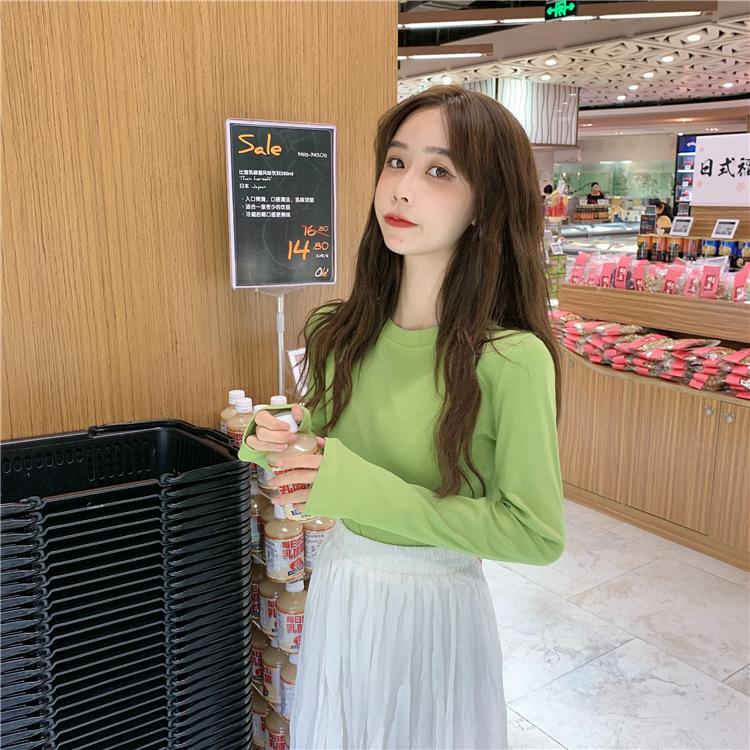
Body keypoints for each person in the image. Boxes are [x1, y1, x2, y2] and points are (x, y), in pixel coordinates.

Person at [239, 85, 565, 750]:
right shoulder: (337, 330)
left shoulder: (512, 360)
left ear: (486, 204)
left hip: (436, 610)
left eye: (438, 171)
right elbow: (321, 437)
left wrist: (355, 485)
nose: (402, 188)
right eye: (396, 162)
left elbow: (535, 534)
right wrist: (274, 435)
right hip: (340, 586)